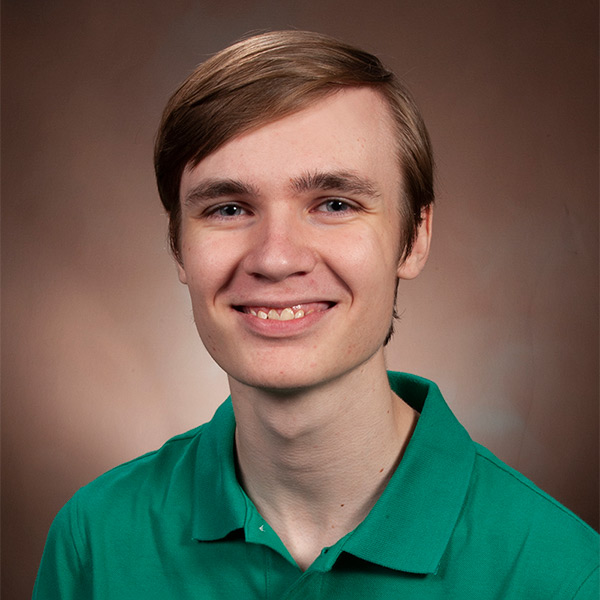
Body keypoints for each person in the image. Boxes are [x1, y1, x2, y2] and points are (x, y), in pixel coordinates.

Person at [33, 30, 598, 599]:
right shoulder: (94, 542)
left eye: (334, 204)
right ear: (178, 246)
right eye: (228, 208)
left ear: (415, 237)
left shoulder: (565, 576)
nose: (275, 258)